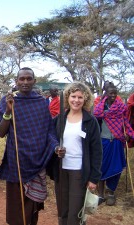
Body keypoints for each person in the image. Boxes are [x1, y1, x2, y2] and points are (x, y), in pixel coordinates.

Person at [0, 67, 61, 225]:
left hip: (37, 160)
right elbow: (1, 132)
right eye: (21, 79)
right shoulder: (8, 100)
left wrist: (56, 147)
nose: (25, 82)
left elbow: (49, 131)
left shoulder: (40, 102)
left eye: (28, 79)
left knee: (32, 206)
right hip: (16, 158)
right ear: (16, 81)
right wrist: (8, 111)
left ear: (34, 81)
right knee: (15, 204)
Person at [50, 82, 102, 225]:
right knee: (63, 210)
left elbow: (97, 151)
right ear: (67, 97)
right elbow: (51, 138)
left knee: (75, 212)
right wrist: (56, 149)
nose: (76, 100)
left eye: (80, 97)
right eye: (73, 96)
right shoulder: (59, 119)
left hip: (80, 172)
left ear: (85, 99)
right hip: (61, 170)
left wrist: (94, 178)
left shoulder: (90, 121)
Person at [94, 83, 134, 206]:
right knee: (102, 167)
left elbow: (126, 122)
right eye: (110, 93)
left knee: (116, 167)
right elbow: (96, 116)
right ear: (106, 93)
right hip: (103, 141)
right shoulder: (100, 106)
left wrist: (128, 133)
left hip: (117, 141)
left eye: (115, 93)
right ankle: (100, 195)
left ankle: (111, 193)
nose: (113, 95)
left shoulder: (121, 107)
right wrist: (102, 100)